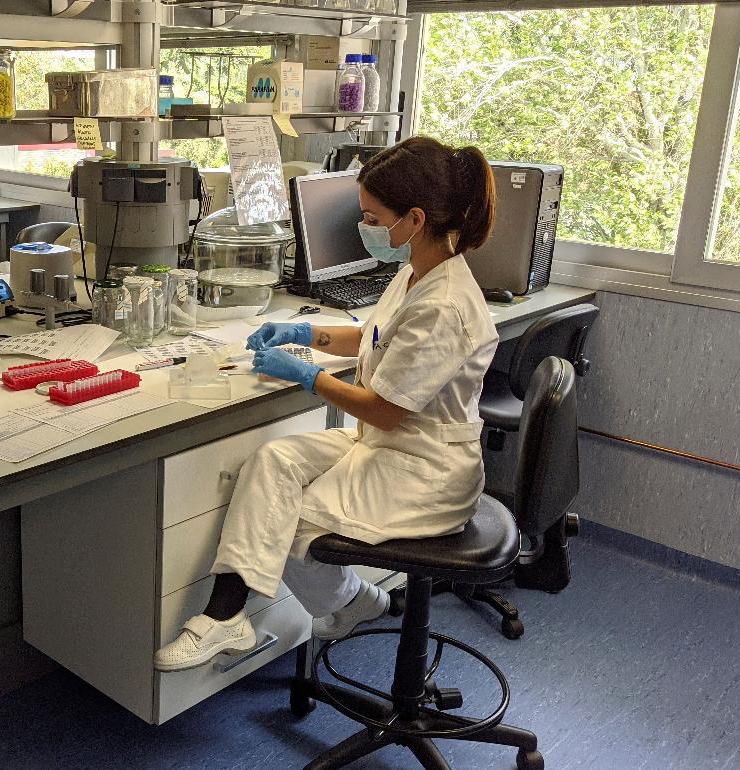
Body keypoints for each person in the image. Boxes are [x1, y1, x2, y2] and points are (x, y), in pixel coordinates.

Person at [154, 136, 501, 672]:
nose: (364, 227)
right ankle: (229, 619)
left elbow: (385, 409)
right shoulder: (420, 272)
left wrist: (306, 377)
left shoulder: (446, 305)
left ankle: (351, 602)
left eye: (371, 216)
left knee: (291, 522)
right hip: (389, 445)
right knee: (275, 463)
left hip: (424, 470)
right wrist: (306, 331)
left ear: (414, 218)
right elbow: (373, 337)